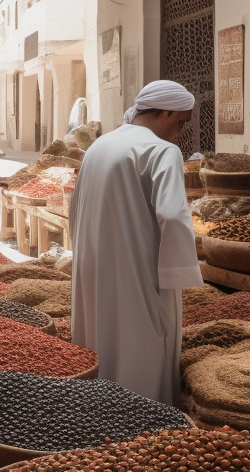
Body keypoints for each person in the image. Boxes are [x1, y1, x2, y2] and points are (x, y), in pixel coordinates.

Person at [67, 80, 202, 405]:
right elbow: (172, 215)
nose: (179, 133)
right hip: (140, 274)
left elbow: (75, 209)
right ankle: (141, 431)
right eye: (181, 123)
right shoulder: (162, 150)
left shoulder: (99, 146)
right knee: (144, 349)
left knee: (100, 342)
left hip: (94, 270)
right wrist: (178, 273)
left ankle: (97, 418)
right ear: (166, 112)